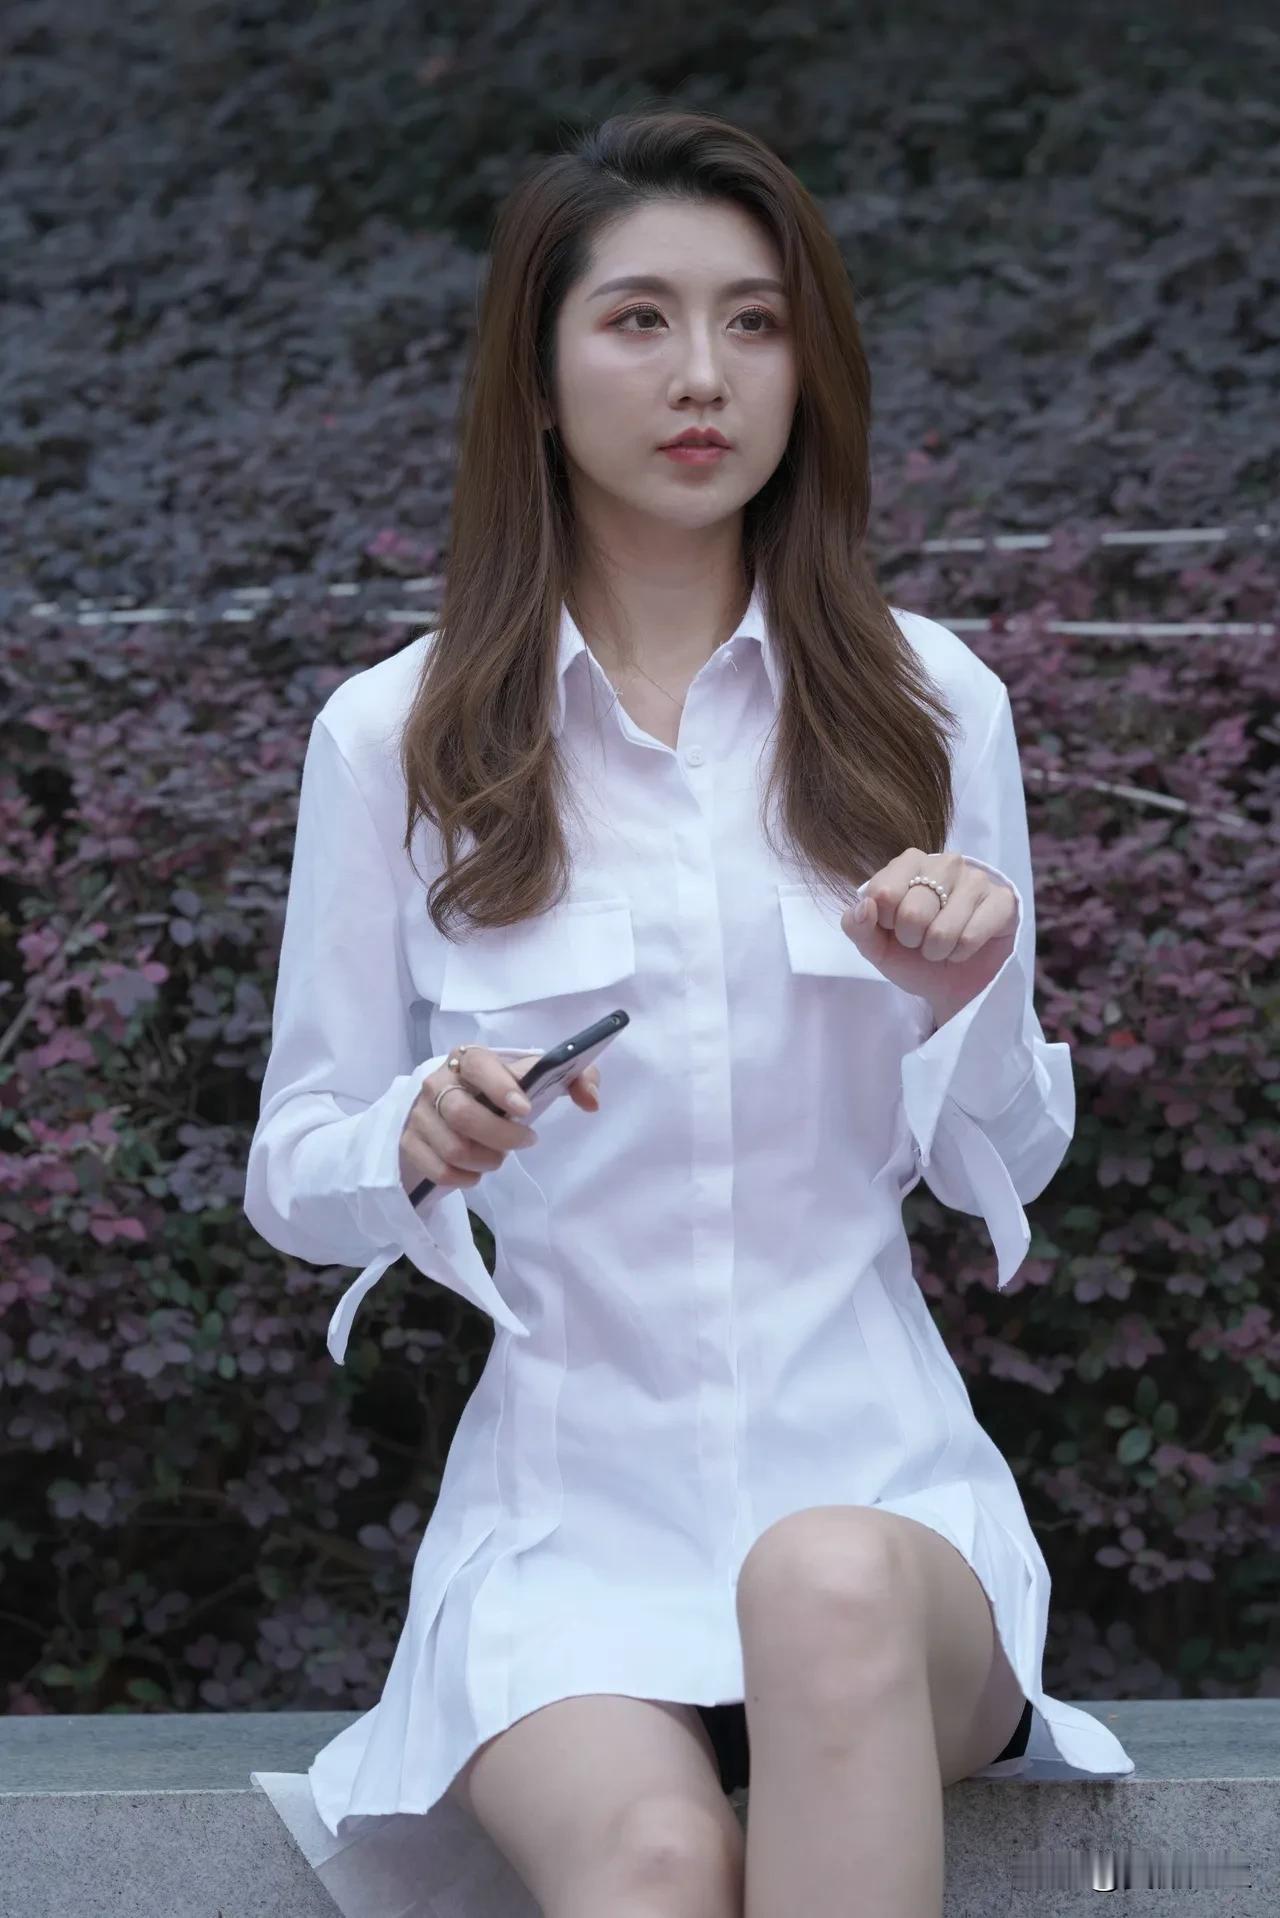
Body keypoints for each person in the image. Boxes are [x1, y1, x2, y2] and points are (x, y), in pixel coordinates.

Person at [244, 102, 1133, 1918]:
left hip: (884, 1509)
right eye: (639, 318)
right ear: (539, 372)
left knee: (819, 1576)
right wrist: (413, 1130)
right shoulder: (398, 734)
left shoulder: (928, 706)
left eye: (755, 319)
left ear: (810, 366)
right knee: (652, 1860)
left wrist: (962, 998)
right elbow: (294, 1166)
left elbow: (1008, 1161)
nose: (703, 373)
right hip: (565, 1530)